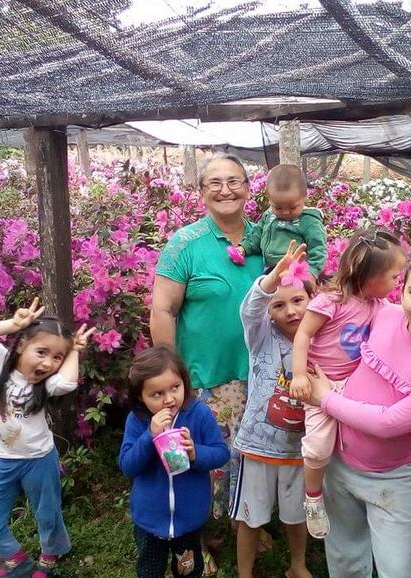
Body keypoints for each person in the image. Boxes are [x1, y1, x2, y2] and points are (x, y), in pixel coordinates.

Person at [305, 250, 411, 577]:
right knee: (344, 558)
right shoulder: (385, 314)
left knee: (396, 569)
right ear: (402, 291)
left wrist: (325, 399)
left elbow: (388, 423)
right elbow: (335, 315)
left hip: (390, 479)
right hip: (339, 461)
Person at [149, 152, 263, 570]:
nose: (225, 190)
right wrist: (171, 377)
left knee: (249, 456)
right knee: (202, 459)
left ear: (249, 189)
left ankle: (244, 524)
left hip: (260, 375)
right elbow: (163, 311)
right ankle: (199, 539)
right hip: (205, 378)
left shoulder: (264, 238)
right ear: (201, 193)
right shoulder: (185, 243)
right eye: (214, 182)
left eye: (234, 181)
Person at [0, 298, 94, 578]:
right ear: (21, 345)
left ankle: (50, 554)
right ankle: (17, 559)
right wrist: (13, 324)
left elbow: (67, 382)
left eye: (56, 357)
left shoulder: (47, 383)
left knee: (48, 513)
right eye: (42, 352)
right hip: (1, 460)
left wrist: (73, 352)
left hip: (40, 459)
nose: (48, 363)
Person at [289, 229, 407, 539]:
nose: (398, 282)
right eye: (394, 276)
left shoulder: (376, 304)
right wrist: (299, 375)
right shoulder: (333, 300)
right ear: (369, 276)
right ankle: (313, 499)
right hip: (321, 385)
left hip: (354, 385)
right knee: (317, 448)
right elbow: (303, 335)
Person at [232, 241, 314, 578]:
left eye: (298, 300)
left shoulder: (320, 340)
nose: (291, 311)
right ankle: (244, 573)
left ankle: (298, 565)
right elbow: (251, 308)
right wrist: (275, 277)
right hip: (258, 446)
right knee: (251, 517)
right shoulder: (261, 336)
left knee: (297, 515)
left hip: (301, 448)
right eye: (279, 305)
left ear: (313, 299)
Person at [119, 345, 230, 578]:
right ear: (140, 396)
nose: (169, 399)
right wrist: (149, 435)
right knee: (149, 571)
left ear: (184, 383)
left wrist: (195, 453)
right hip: (149, 520)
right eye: (157, 394)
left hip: (188, 520)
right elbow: (128, 466)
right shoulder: (137, 420)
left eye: (175, 388)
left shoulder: (198, 413)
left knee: (188, 570)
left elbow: (221, 453)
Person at [228, 164, 327, 278]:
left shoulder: (309, 222)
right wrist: (243, 248)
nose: (285, 212)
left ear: (304, 197)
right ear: (270, 200)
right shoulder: (269, 215)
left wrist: (312, 273)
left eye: (292, 207)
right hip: (270, 270)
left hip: (295, 274)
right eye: (278, 207)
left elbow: (319, 250)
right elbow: (256, 235)